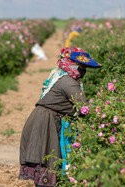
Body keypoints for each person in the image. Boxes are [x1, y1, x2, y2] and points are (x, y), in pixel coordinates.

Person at [19, 47, 102, 186]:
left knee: (48, 163)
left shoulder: (60, 75)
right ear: (73, 64)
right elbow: (84, 107)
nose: (83, 70)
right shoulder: (68, 81)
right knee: (47, 163)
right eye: (81, 66)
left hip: (44, 119)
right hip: (45, 123)